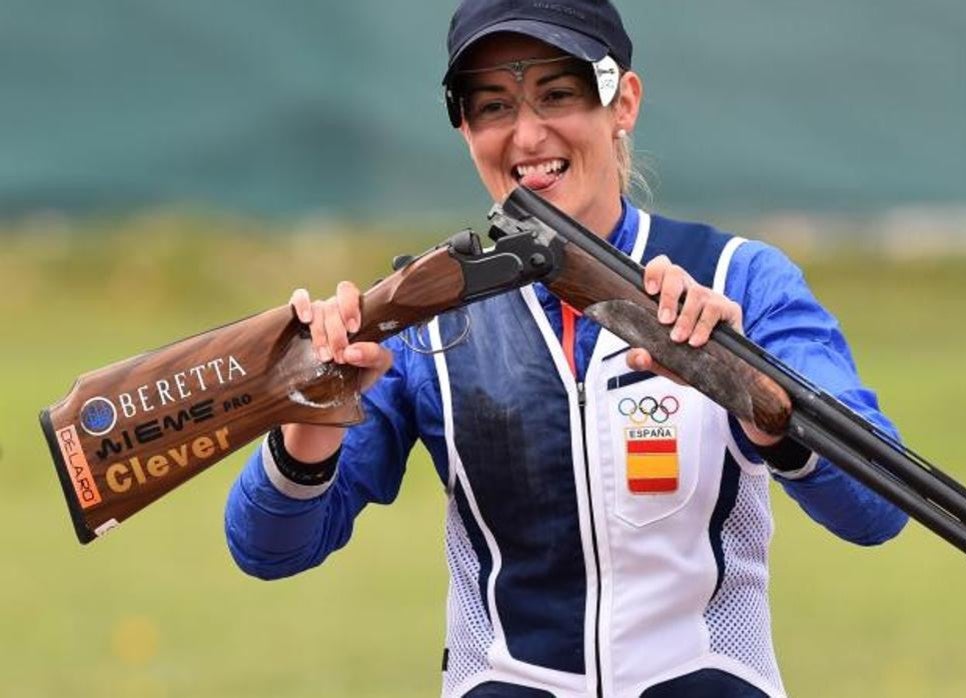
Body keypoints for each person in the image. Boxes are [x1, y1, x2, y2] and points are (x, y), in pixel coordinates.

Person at [224, 1, 907, 695]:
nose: (526, 134)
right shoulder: (421, 317)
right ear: (465, 129)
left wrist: (755, 399)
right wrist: (310, 419)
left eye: (557, 94)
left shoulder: (740, 280)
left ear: (624, 102)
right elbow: (266, 549)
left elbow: (878, 511)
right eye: (492, 105)